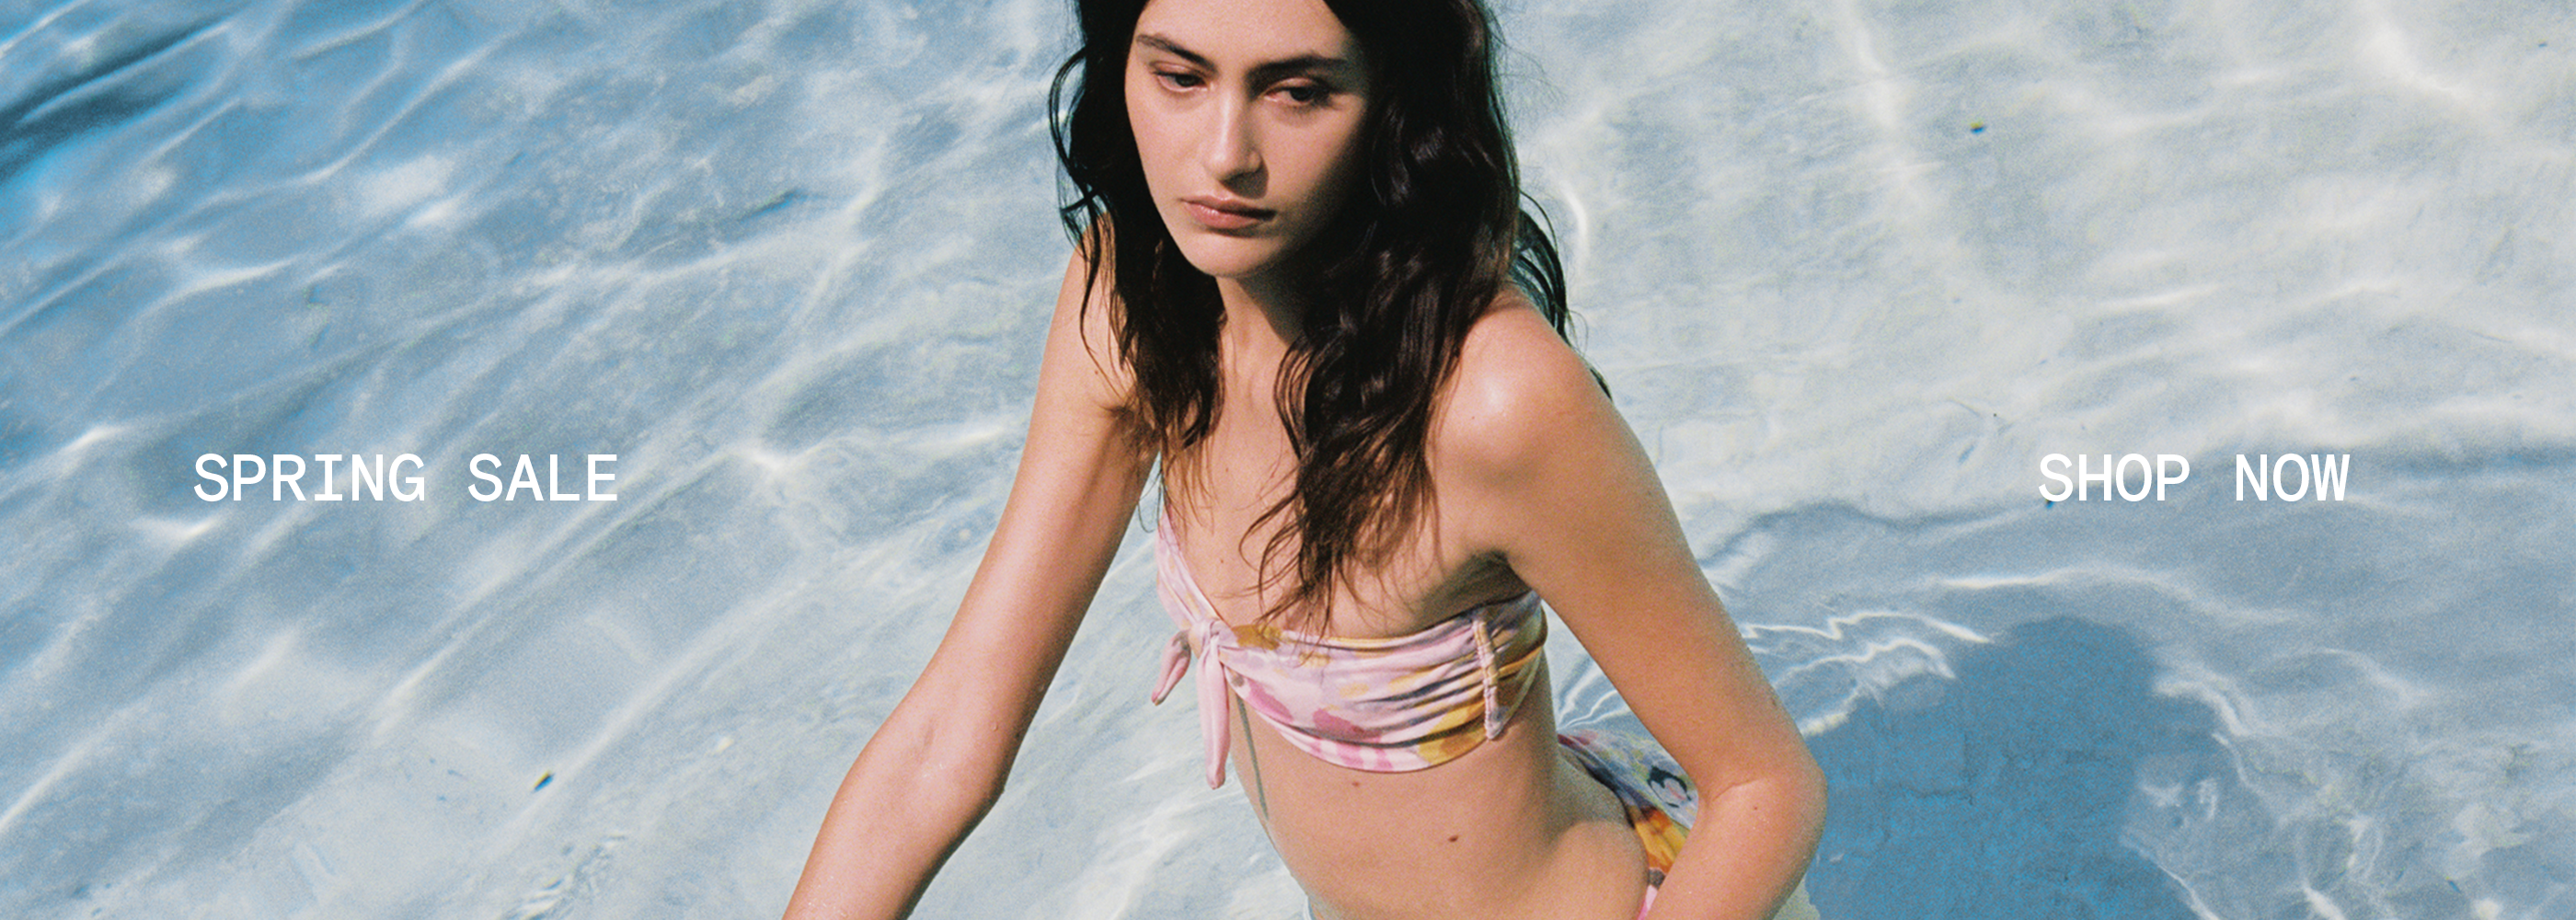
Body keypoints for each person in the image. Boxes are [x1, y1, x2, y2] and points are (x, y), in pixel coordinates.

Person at [784, 0, 1826, 917]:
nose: (1224, 154)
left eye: (1296, 92)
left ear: (1394, 101)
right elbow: (947, 739)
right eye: (1179, 76)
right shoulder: (1132, 307)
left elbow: (1765, 788)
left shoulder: (1491, 404)